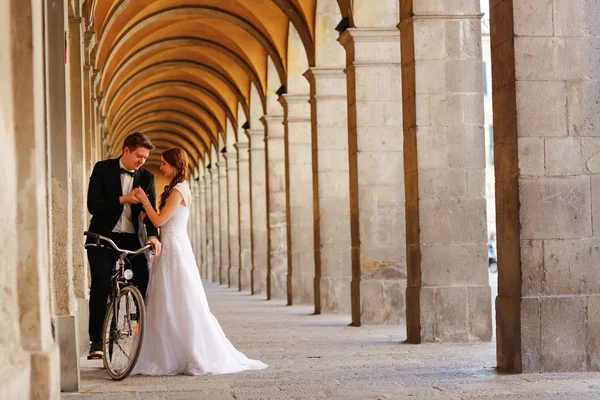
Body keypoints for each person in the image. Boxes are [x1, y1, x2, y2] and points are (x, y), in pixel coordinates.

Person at [130, 147, 267, 376]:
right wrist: (149, 216)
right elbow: (161, 221)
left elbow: (161, 219)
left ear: (175, 165)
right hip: (172, 246)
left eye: (164, 163)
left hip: (175, 249)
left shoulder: (179, 189)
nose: (161, 167)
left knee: (179, 299)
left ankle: (187, 351)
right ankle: (168, 350)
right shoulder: (176, 188)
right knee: (168, 299)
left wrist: (145, 201)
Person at [86, 132, 162, 358]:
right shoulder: (103, 168)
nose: (142, 161)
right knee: (100, 285)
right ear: (126, 150)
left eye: (146, 158)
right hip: (103, 236)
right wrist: (123, 199)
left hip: (131, 238)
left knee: (143, 278)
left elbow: (149, 213)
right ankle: (97, 341)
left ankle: (139, 328)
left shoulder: (147, 177)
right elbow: (93, 204)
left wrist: (152, 236)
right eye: (139, 155)